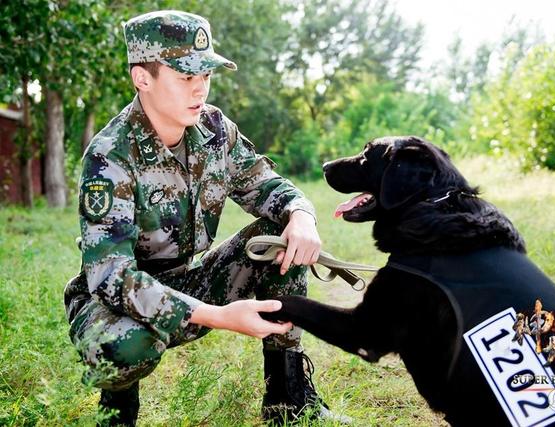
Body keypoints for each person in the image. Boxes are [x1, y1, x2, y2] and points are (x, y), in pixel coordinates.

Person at [63, 10, 345, 426]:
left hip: (187, 277)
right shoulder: (111, 156)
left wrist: (301, 214)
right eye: (184, 77)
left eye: (205, 77)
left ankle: (288, 401)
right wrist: (218, 317)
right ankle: (116, 412)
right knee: (128, 343)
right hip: (113, 301)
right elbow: (111, 277)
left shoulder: (214, 129)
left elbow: (268, 185)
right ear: (143, 78)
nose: (199, 90)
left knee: (279, 237)